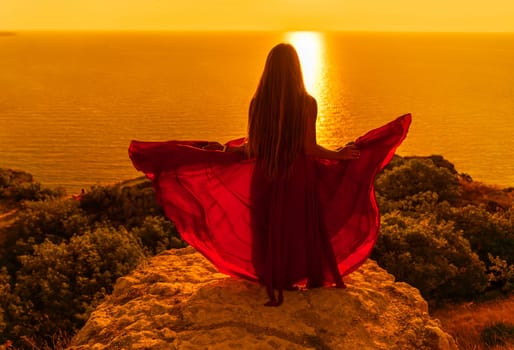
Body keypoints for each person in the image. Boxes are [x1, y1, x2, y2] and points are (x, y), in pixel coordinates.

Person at [129, 43, 411, 306]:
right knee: (297, 228)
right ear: (296, 69)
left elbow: (255, 146)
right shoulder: (307, 102)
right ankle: (293, 277)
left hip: (265, 174)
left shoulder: (258, 102)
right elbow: (308, 148)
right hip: (298, 176)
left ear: (269, 69)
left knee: (265, 227)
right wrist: (339, 155)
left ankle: (272, 276)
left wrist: (228, 151)